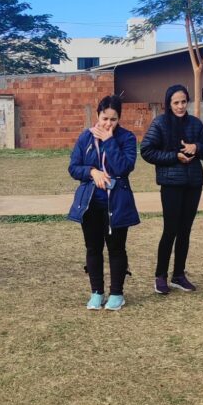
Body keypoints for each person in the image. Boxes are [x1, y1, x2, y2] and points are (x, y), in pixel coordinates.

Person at [67, 95, 140, 310]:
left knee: (117, 249)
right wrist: (92, 171)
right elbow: (73, 167)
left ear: (119, 119)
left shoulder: (126, 138)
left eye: (113, 119)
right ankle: (96, 293)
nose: (108, 124)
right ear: (97, 115)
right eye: (104, 118)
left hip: (117, 202)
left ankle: (117, 293)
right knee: (93, 248)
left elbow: (123, 168)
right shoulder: (85, 138)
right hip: (90, 203)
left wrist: (109, 141)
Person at [140, 84, 203, 294]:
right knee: (170, 230)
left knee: (185, 231)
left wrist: (196, 148)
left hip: (194, 184)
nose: (180, 106)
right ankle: (160, 275)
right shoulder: (160, 123)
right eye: (176, 103)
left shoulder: (195, 124)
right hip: (171, 185)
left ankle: (179, 275)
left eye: (183, 102)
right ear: (169, 104)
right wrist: (174, 156)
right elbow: (146, 151)